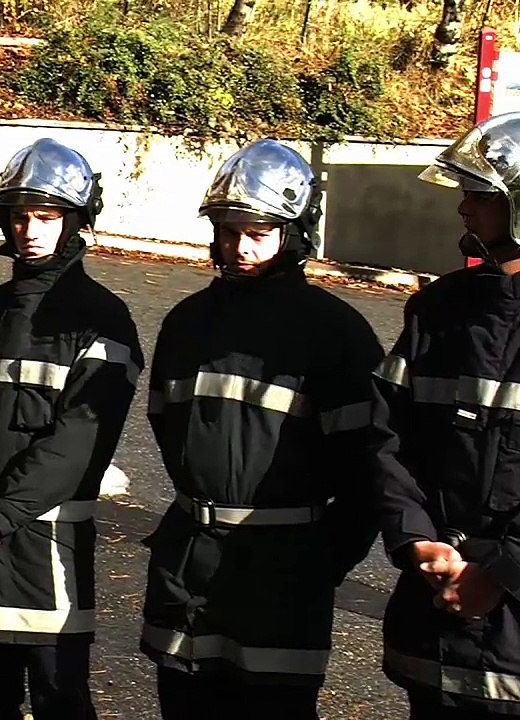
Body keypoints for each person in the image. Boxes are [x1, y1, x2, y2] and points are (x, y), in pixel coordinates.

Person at [138, 139, 382, 719]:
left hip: (283, 570)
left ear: (293, 233)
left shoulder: (334, 332)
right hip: (189, 562)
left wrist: (319, 564)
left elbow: (366, 468)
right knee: (185, 704)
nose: (239, 246)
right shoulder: (187, 322)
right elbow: (167, 429)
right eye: (228, 230)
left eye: (258, 231)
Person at [0, 138, 142, 719]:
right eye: (19, 216)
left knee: (58, 700)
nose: (29, 230)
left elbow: (76, 446)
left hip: (46, 550)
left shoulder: (102, 317)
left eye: (46, 216)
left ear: (75, 221)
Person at [374, 111, 520, 718]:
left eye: (481, 196)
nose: (464, 209)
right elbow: (386, 438)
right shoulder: (437, 311)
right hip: (433, 618)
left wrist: (504, 572)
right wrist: (416, 541)